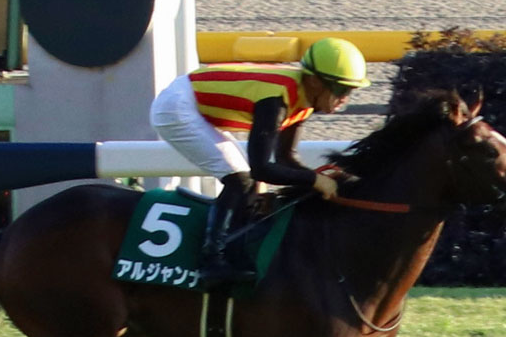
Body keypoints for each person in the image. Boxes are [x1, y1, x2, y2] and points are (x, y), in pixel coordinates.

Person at [150, 37, 370, 286]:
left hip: (194, 102)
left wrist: (319, 179)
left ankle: (235, 253)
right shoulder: (276, 100)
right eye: (341, 90)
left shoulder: (303, 100)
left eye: (350, 92)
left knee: (247, 182)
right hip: (176, 107)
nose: (344, 99)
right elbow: (262, 169)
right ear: (315, 81)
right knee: (240, 179)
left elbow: (286, 159)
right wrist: (314, 180)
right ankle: (211, 262)